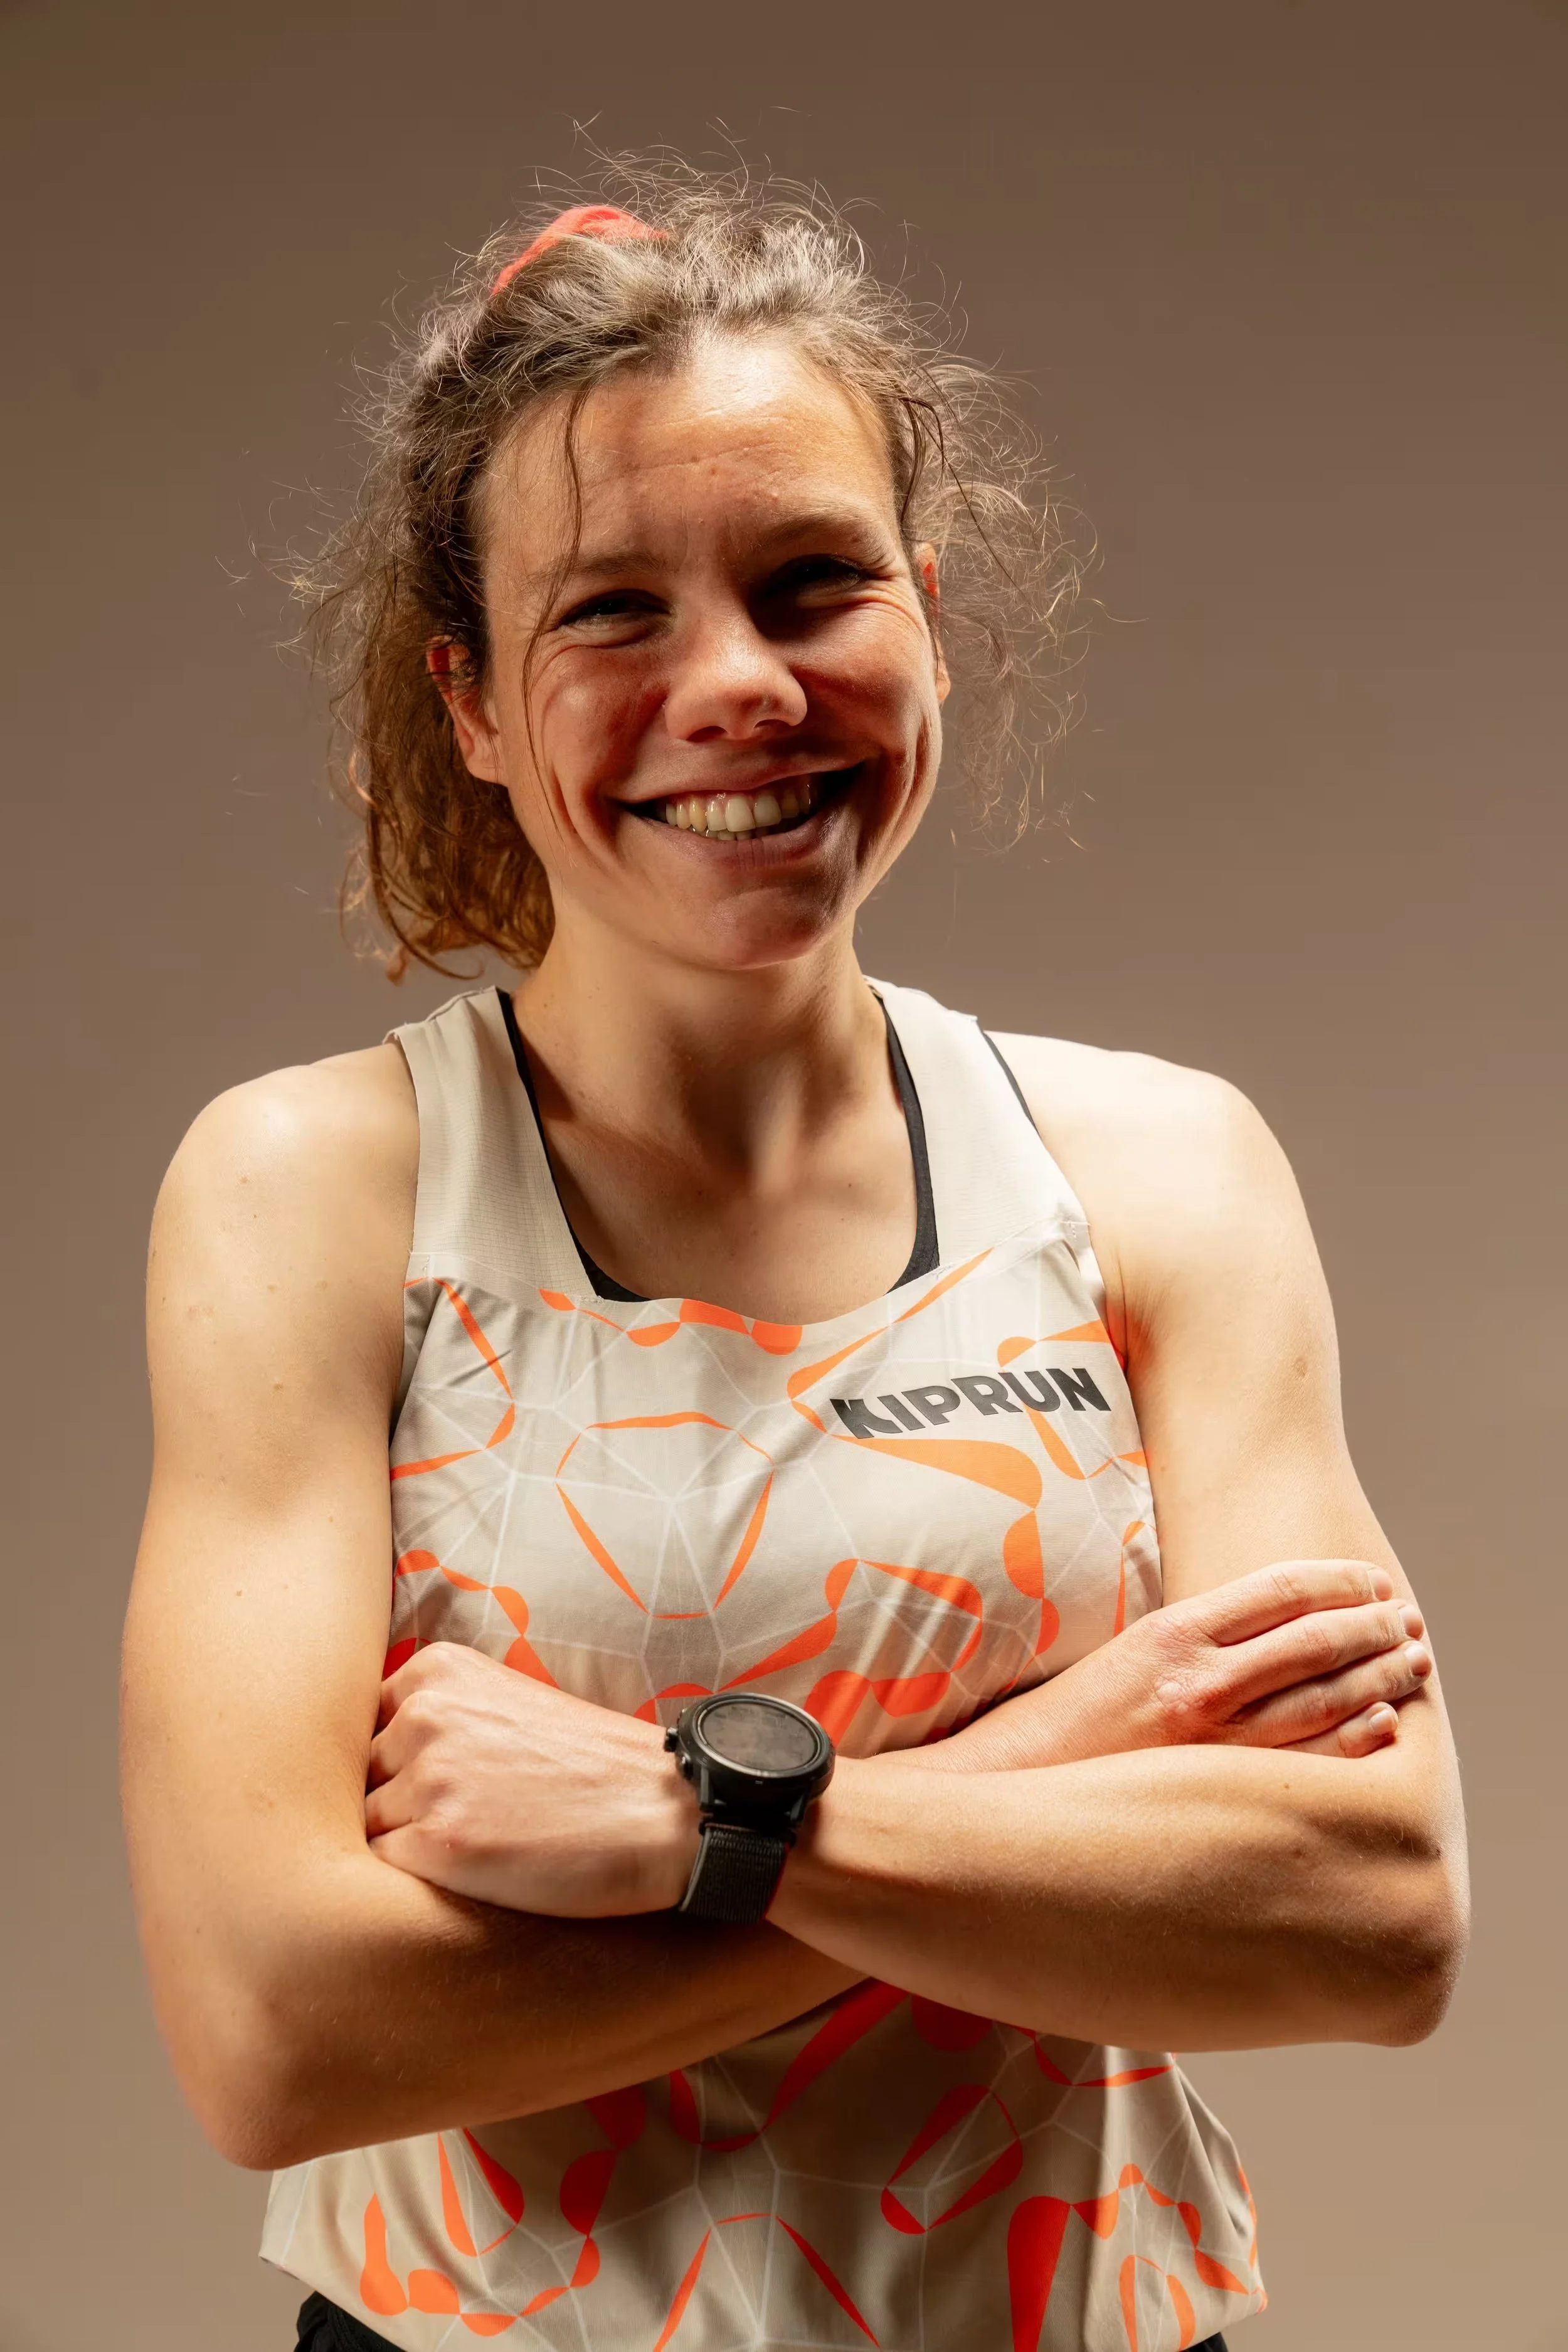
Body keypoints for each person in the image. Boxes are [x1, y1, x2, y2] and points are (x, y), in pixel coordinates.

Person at [122, 174, 1468, 2352]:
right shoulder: (319, 1190)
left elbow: (1371, 1919)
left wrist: (699, 1822)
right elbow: (279, 2029)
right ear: (471, 702)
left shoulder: (1158, 1171)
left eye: (812, 582)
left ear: (924, 617)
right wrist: (1048, 1761)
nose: (738, 685)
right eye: (611, 612)